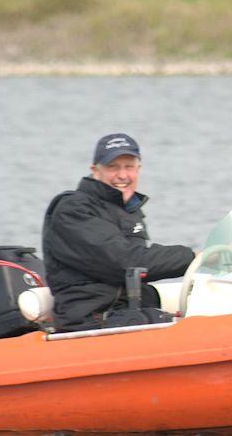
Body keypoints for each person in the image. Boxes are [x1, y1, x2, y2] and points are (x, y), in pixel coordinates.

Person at [42, 133, 195, 332]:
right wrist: (191, 257)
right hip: (90, 320)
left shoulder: (126, 211)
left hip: (124, 312)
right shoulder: (73, 209)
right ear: (95, 171)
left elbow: (134, 272)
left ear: (138, 169)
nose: (122, 175)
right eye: (113, 167)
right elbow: (126, 262)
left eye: (129, 166)